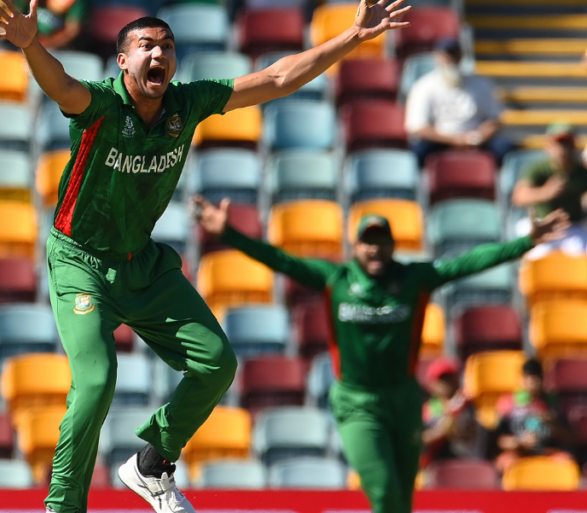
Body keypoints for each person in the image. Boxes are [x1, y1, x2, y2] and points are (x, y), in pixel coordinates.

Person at [0, 0, 412, 513]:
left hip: (141, 264)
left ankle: (152, 463)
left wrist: (350, 37)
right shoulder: (101, 104)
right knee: (96, 383)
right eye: (146, 45)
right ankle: (63, 508)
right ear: (123, 61)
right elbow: (63, 88)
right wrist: (31, 47)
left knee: (216, 363)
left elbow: (277, 79)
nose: (159, 53)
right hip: (80, 262)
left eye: (167, 45)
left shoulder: (187, 103)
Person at [194, 198, 568, 513]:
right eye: (367, 242)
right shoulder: (336, 280)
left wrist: (525, 242)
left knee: (402, 501)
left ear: (393, 244)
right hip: (357, 403)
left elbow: (468, 262)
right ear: (355, 246)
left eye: (382, 241)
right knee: (385, 490)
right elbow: (281, 261)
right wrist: (229, 233)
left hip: (403, 400)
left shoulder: (413, 279)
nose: (375, 249)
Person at [406, 38, 510, 165]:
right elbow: (418, 127)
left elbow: (495, 119)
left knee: (504, 148)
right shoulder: (424, 86)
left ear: (461, 56)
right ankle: (422, 183)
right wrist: (455, 140)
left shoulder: (482, 83)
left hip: (476, 138)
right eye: (446, 55)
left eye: (454, 54)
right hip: (440, 140)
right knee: (418, 151)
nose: (451, 59)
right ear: (437, 57)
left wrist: (480, 137)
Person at [512, 123, 587, 259]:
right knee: (532, 256)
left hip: (572, 227)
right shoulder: (538, 169)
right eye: (558, 144)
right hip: (542, 225)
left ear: (574, 145)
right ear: (549, 146)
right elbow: (518, 197)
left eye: (567, 144)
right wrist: (544, 192)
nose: (563, 149)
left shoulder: (581, 172)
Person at [495, 358, 577, 473]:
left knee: (566, 463)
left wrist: (553, 426)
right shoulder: (508, 404)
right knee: (506, 463)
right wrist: (520, 442)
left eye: (536, 378)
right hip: (519, 452)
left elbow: (571, 437)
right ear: (521, 379)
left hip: (547, 451)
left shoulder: (552, 404)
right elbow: (499, 440)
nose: (533, 383)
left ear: (542, 379)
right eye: (528, 377)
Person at [421, 358, 484, 466]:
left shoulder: (465, 404)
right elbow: (419, 437)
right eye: (441, 379)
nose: (446, 383)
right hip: (435, 462)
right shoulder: (428, 409)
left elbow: (457, 431)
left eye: (449, 378)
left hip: (463, 461)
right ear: (431, 384)